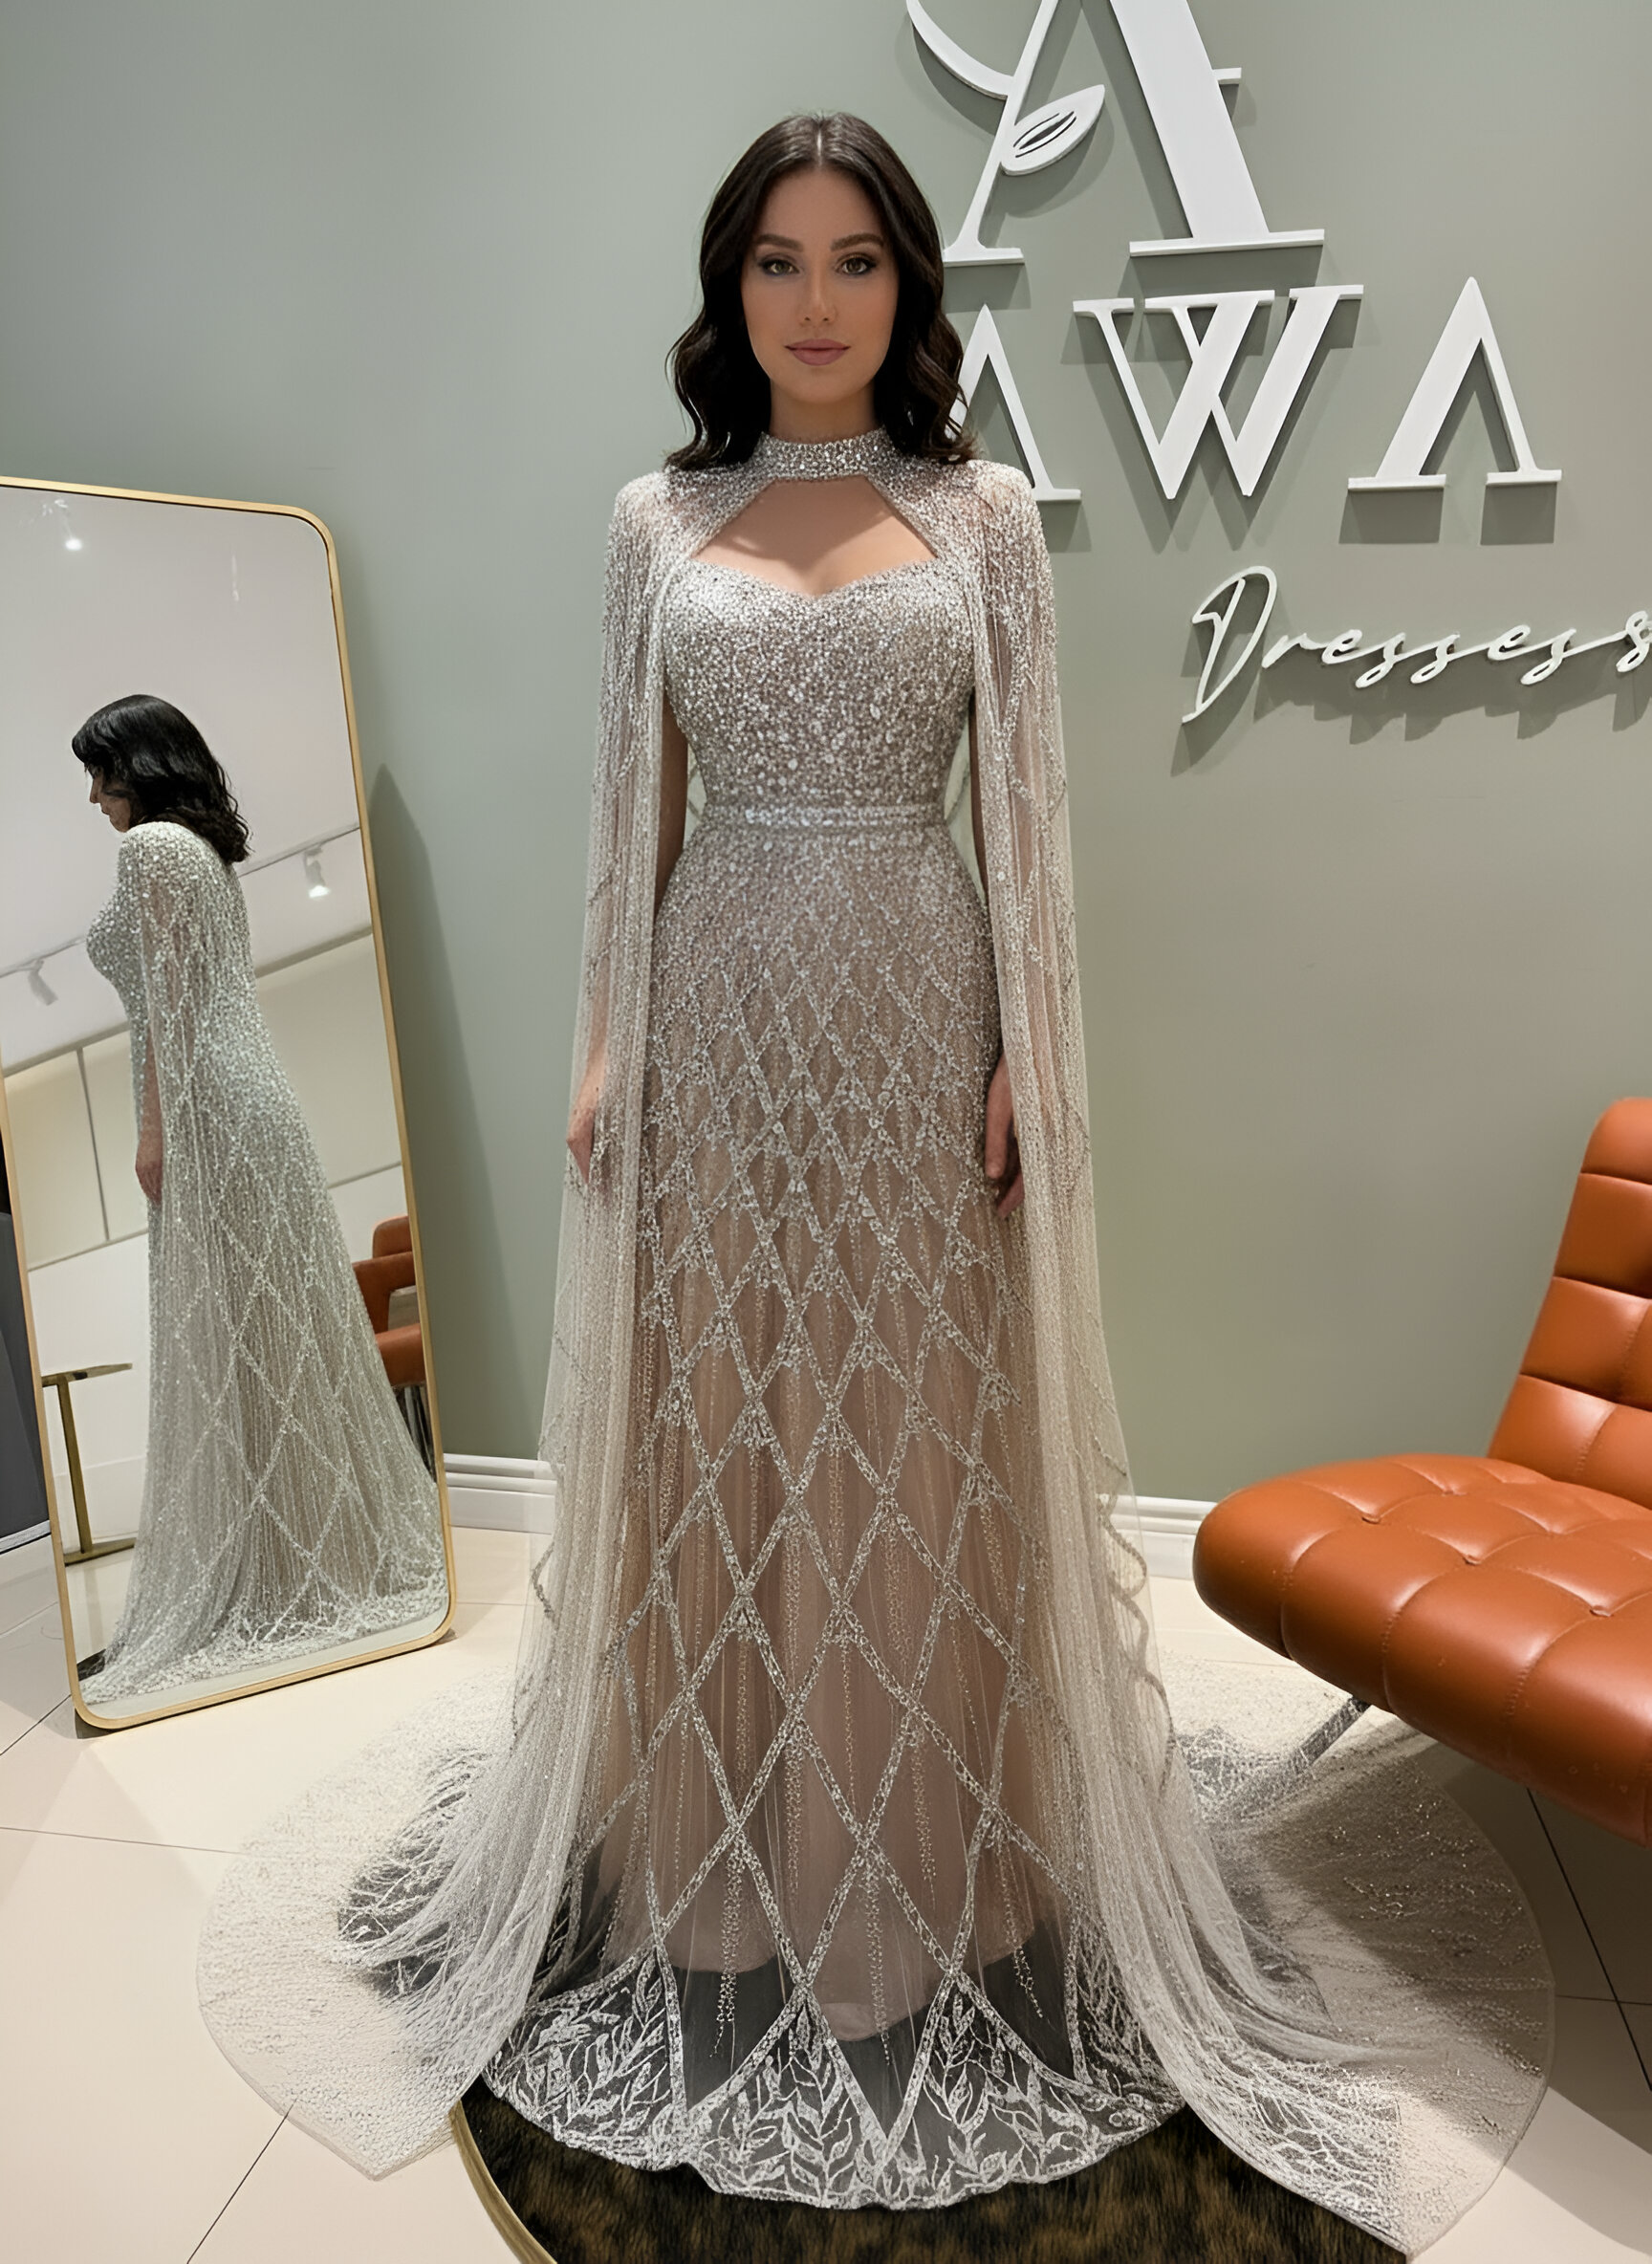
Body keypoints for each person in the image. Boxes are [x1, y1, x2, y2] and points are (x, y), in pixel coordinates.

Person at [200, 120, 1545, 2251]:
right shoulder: (655, 519)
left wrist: (1029, 1048)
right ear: (727, 288)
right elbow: (627, 814)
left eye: (854, 261)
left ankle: (929, 1869)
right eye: (774, 261)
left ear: (911, 286)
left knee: (907, 1419)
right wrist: (604, 1047)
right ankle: (716, 1866)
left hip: (918, 999)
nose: (814, 302)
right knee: (727, 1411)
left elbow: (1026, 814)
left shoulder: (981, 514)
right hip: (719, 1003)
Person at [76, 694, 446, 1702]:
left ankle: (277, 1572)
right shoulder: (203, 850)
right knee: (269, 1333)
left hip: (209, 1108)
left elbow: (170, 1002)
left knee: (239, 1333)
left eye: (99, 771)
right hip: (248, 1097)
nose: (93, 795)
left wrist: (153, 1130)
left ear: (135, 765)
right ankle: (303, 1558)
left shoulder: (151, 847)